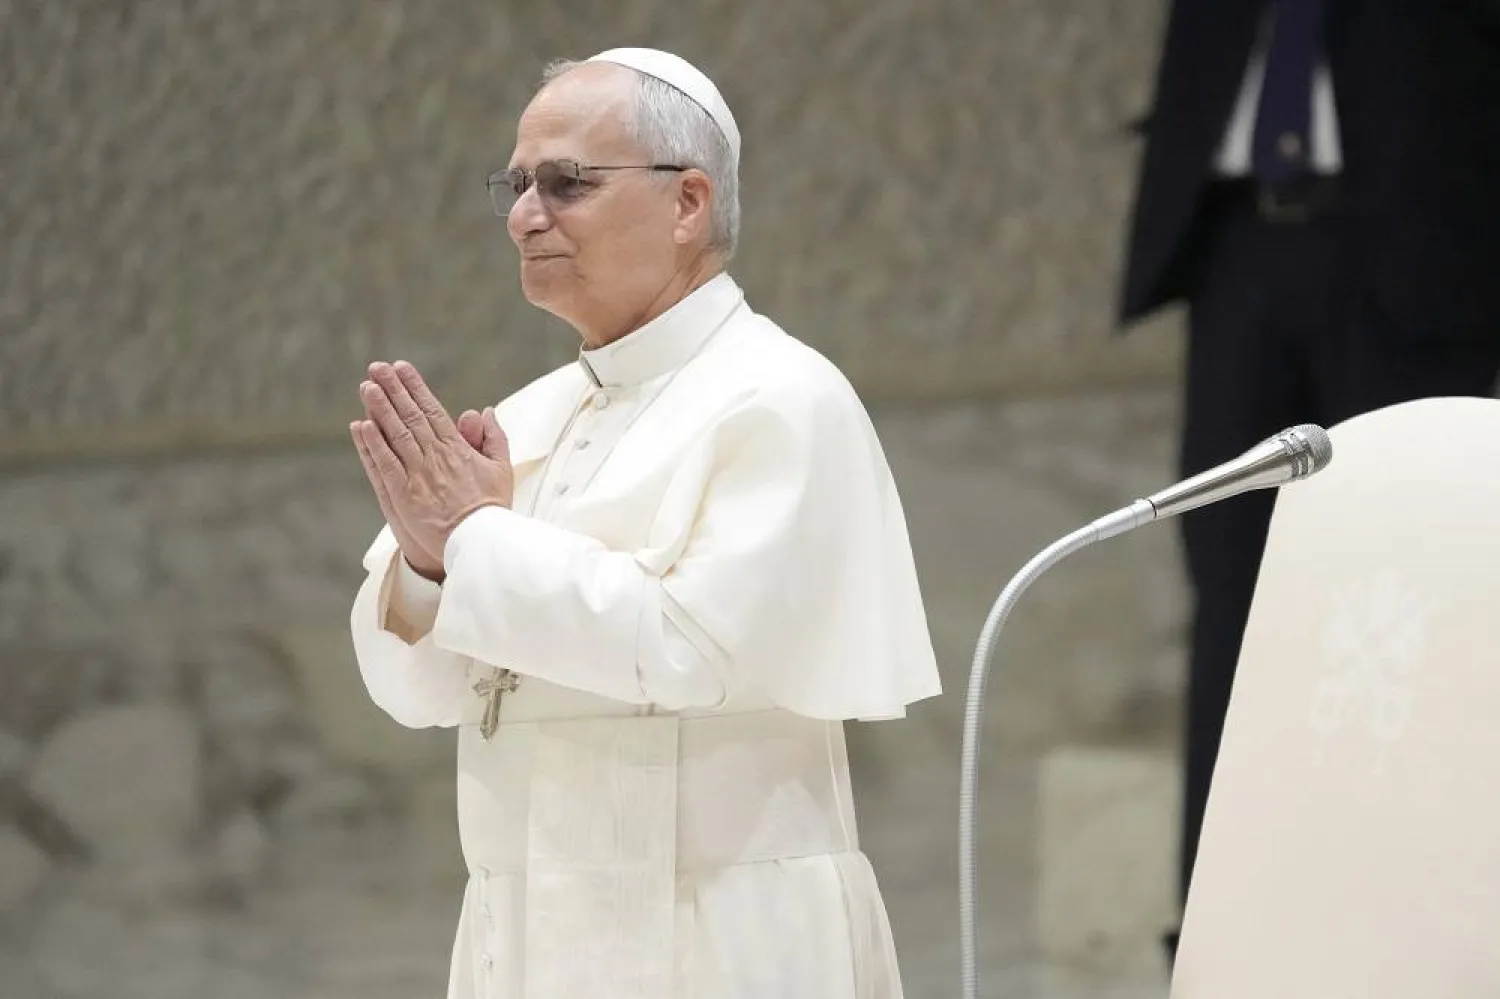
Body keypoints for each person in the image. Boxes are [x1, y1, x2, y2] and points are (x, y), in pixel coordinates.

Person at [346, 46, 941, 998]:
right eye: (517, 183)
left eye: (566, 182)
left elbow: (685, 649)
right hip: (527, 939)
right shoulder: (528, 417)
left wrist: (477, 540)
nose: (523, 214)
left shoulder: (781, 398)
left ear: (687, 202)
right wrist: (427, 562)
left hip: (729, 940)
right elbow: (412, 694)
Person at [1118, 0, 1500, 960]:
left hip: (1416, 251)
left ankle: (1410, 911)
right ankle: (1221, 920)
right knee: (1232, 594)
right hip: (1239, 242)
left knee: (1408, 597)